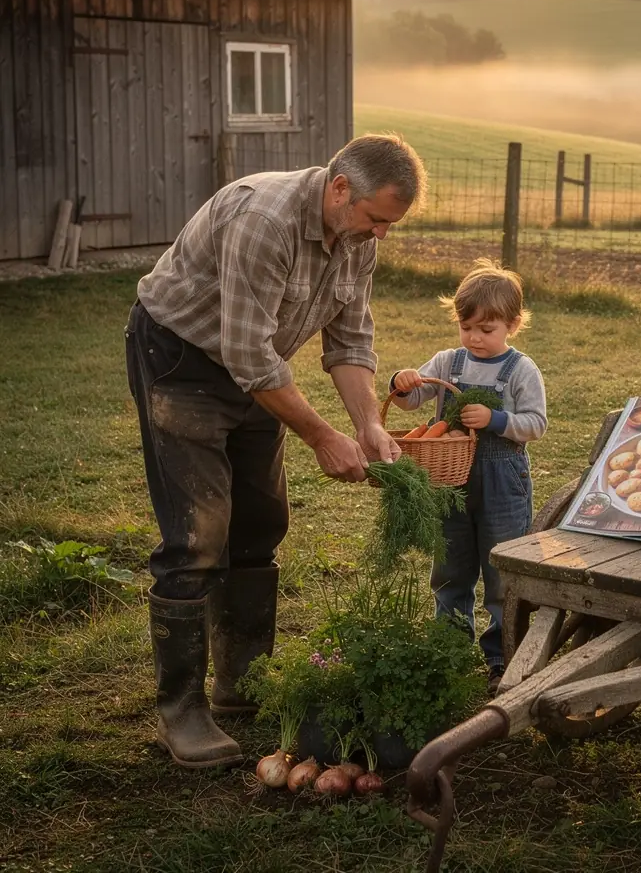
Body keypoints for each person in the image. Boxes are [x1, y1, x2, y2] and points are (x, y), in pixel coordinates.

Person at [124, 134, 427, 769]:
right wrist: (322, 436)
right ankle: (180, 711)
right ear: (340, 188)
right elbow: (246, 356)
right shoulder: (265, 219)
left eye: (390, 225)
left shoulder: (357, 238)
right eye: (377, 219)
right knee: (197, 533)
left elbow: (350, 341)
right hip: (182, 358)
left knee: (261, 522)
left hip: (257, 367)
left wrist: (369, 425)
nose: (380, 236)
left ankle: (243, 684)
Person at [390, 259, 547, 694]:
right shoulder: (446, 361)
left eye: (487, 329)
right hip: (449, 480)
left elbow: (536, 423)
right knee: (451, 565)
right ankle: (451, 647)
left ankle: (501, 657)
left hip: (502, 483)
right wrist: (402, 383)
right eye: (467, 327)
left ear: (513, 325)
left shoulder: (521, 370)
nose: (475, 338)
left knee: (501, 569)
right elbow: (412, 400)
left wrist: (497, 419)